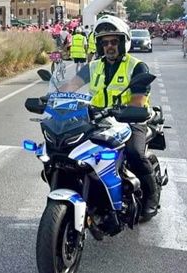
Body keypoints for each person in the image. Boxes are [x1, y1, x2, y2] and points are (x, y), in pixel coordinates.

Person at [61, 15, 159, 220]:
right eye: (105, 42)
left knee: (134, 153)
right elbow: (72, 85)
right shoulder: (94, 66)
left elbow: (138, 100)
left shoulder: (137, 66)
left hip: (131, 119)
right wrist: (55, 98)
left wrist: (122, 111)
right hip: (98, 120)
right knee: (70, 150)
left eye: (114, 41)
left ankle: (152, 197)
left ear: (124, 42)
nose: (109, 46)